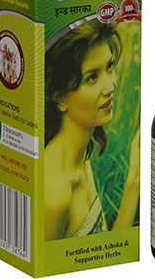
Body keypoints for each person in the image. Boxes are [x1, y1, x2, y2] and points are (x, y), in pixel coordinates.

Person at [44, 18, 140, 240]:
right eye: (92, 78)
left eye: (109, 68)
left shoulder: (82, 156)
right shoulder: (55, 195)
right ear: (60, 97)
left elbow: (104, 248)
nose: (110, 86)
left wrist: (135, 175)